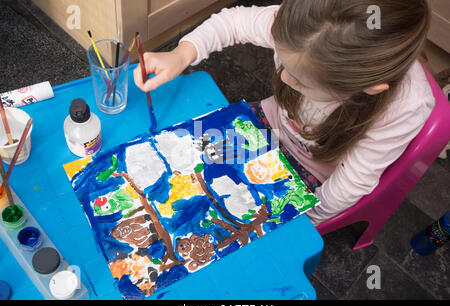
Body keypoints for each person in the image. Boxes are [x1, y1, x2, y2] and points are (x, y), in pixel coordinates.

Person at [134, 0, 434, 226]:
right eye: (283, 62)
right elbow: (233, 22)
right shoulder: (306, 29)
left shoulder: (405, 107)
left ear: (369, 87)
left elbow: (350, 183)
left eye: (301, 80)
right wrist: (181, 54)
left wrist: (300, 220)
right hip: (264, 123)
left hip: (313, 177)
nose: (284, 79)